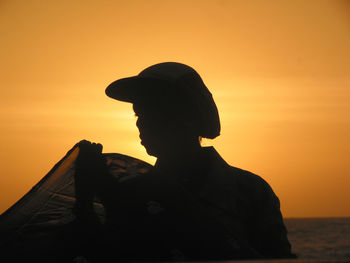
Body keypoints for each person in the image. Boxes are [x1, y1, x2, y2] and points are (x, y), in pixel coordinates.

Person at [73, 62, 296, 261]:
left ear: (189, 117)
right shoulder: (130, 192)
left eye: (154, 111)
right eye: (138, 114)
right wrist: (86, 198)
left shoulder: (250, 191)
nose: (141, 124)